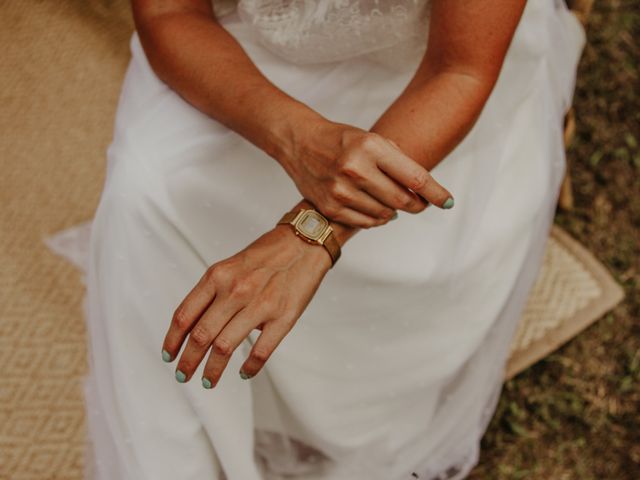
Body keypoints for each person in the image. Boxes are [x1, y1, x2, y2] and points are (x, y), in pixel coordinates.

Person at [48, 0, 586, 478]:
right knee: (144, 193)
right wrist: (297, 139)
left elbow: (460, 69)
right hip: (244, 65)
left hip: (416, 92)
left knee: (410, 256)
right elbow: (169, 14)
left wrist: (314, 230)